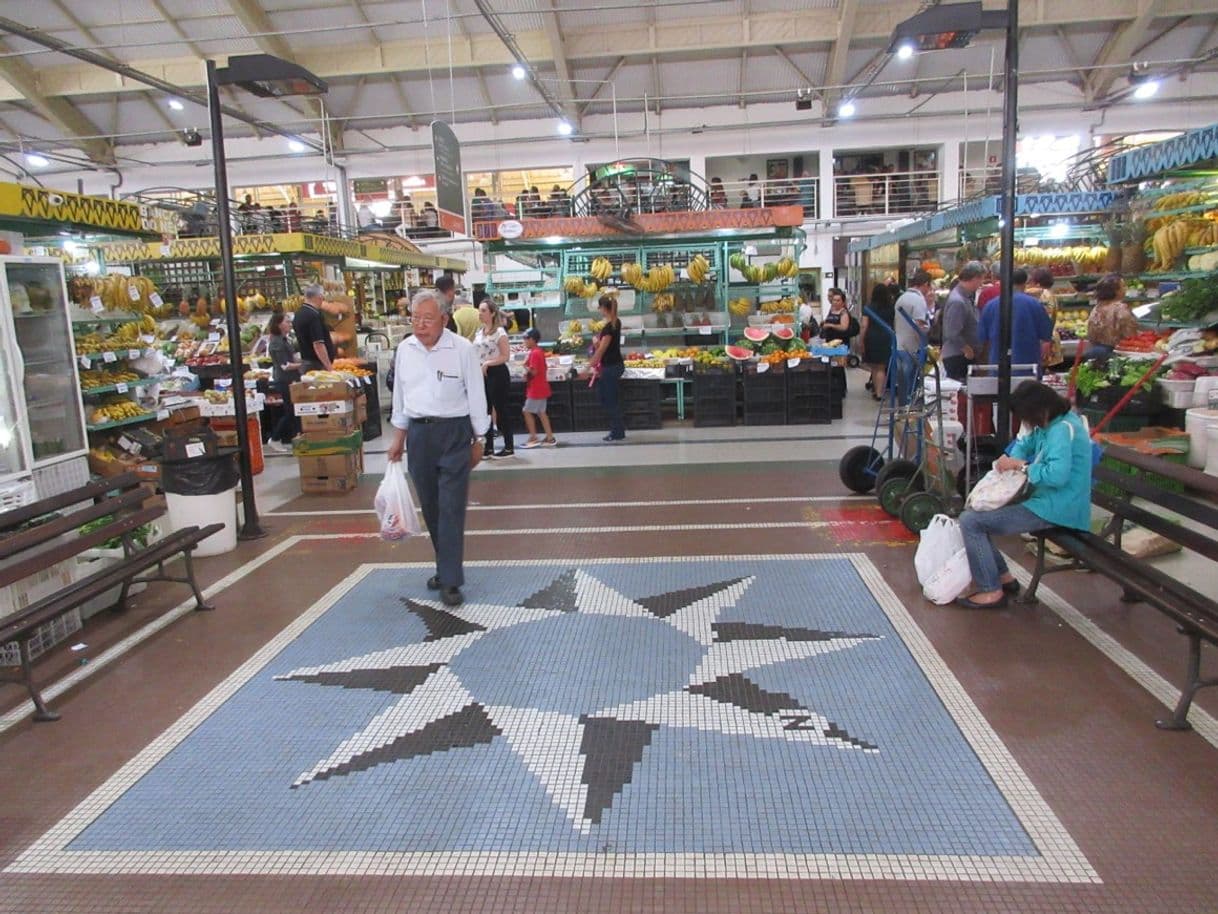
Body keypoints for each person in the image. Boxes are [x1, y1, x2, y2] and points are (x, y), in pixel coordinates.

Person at [386, 291, 488, 608]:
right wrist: (398, 439)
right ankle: (445, 568)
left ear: (444, 319)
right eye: (415, 318)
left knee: (451, 507)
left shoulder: (462, 350)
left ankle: (451, 580)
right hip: (419, 435)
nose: (420, 325)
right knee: (431, 507)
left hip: (455, 433)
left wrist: (480, 439)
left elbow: (476, 393)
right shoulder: (405, 349)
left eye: (427, 319)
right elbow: (401, 398)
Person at [955, 380, 1093, 609]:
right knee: (976, 514)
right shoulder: (1050, 424)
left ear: (1038, 410)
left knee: (972, 522)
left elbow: (1057, 476)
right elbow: (1024, 444)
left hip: (1058, 508)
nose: (1025, 422)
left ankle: (991, 590)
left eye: (1025, 417)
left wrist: (1021, 466)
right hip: (1045, 501)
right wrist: (1007, 461)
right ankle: (1003, 578)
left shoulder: (1062, 430)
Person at [977, 269, 1053, 373]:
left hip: (998, 365)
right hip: (1028, 365)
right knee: (1027, 389)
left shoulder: (990, 306)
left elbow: (982, 337)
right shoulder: (1034, 305)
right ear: (1025, 283)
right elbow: (1046, 334)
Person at [474, 298, 514, 458]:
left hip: (498, 373)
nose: (480, 313)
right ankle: (488, 446)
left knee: (501, 409)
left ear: (492, 313)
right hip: (482, 375)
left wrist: (489, 363)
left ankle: (509, 446)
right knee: (486, 410)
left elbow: (505, 356)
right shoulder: (479, 333)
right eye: (479, 310)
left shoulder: (500, 333)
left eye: (483, 310)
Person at [588, 294, 626, 442]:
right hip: (614, 365)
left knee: (608, 399)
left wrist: (588, 367)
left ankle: (617, 431)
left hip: (610, 367)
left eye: (600, 307)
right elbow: (605, 347)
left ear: (604, 308)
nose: (599, 310)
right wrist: (598, 343)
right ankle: (618, 429)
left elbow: (601, 350)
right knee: (609, 398)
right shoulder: (616, 322)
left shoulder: (609, 327)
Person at [940, 261, 985, 381]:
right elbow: (952, 332)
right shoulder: (958, 301)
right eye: (980, 280)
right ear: (974, 278)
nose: (981, 284)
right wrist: (966, 349)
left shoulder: (965, 297)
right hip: (958, 356)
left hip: (961, 356)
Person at [265, 312, 301, 451]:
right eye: (287, 322)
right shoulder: (276, 343)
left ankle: (296, 438)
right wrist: (302, 365)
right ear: (279, 324)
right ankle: (275, 438)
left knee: (293, 411)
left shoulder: (284, 339)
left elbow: (292, 358)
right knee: (290, 411)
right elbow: (285, 365)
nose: (289, 324)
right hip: (285, 380)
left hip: (291, 379)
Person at [1086, 274, 1138, 359]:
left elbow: (1090, 334)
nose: (1126, 289)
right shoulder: (1120, 309)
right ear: (1116, 291)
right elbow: (1130, 335)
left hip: (1095, 353)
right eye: (1123, 286)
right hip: (1115, 355)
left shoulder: (1096, 308)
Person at [520, 328, 557, 449]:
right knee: (541, 413)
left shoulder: (535, 353)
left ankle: (533, 437)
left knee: (526, 411)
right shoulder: (537, 351)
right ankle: (550, 437)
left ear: (532, 340)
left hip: (536, 389)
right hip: (542, 387)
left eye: (526, 338)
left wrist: (525, 367)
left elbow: (534, 372)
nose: (524, 341)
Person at [860, 284, 895, 401]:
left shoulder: (868, 308)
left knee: (874, 367)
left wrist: (861, 341)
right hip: (886, 338)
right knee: (881, 367)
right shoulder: (891, 308)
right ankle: (880, 393)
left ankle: (876, 391)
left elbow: (864, 325)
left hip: (871, 337)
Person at [292, 283, 334, 372]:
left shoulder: (298, 314)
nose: (323, 299)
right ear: (318, 297)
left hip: (307, 362)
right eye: (322, 296)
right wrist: (329, 367)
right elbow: (318, 344)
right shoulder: (313, 315)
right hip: (316, 365)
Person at [1027, 267, 1063, 368]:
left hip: (1045, 339)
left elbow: (1046, 319)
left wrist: (1045, 340)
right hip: (1048, 337)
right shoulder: (1048, 293)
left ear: (1036, 281)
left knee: (1041, 371)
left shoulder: (1044, 295)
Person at [895, 270, 932, 356]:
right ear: (926, 284)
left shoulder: (902, 298)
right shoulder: (918, 300)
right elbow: (919, 325)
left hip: (898, 346)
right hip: (912, 349)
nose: (929, 290)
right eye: (929, 287)